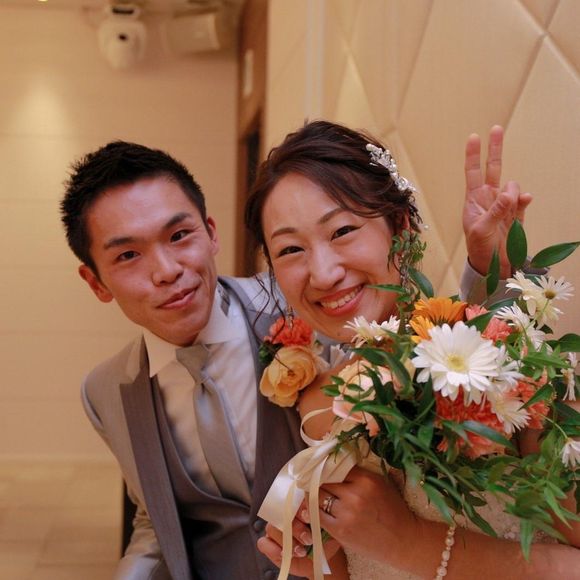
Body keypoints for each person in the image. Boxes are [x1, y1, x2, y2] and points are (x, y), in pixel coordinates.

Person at [245, 120, 580, 579]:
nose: (322, 273)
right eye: (289, 250)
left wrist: (409, 542)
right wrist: (324, 565)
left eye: (342, 230)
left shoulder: (501, 363)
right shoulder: (316, 404)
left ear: (400, 226)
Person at [60, 141, 354, 579]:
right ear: (96, 282)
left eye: (179, 236)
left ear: (211, 232)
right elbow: (156, 520)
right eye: (127, 255)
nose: (167, 271)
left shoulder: (305, 307)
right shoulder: (103, 392)